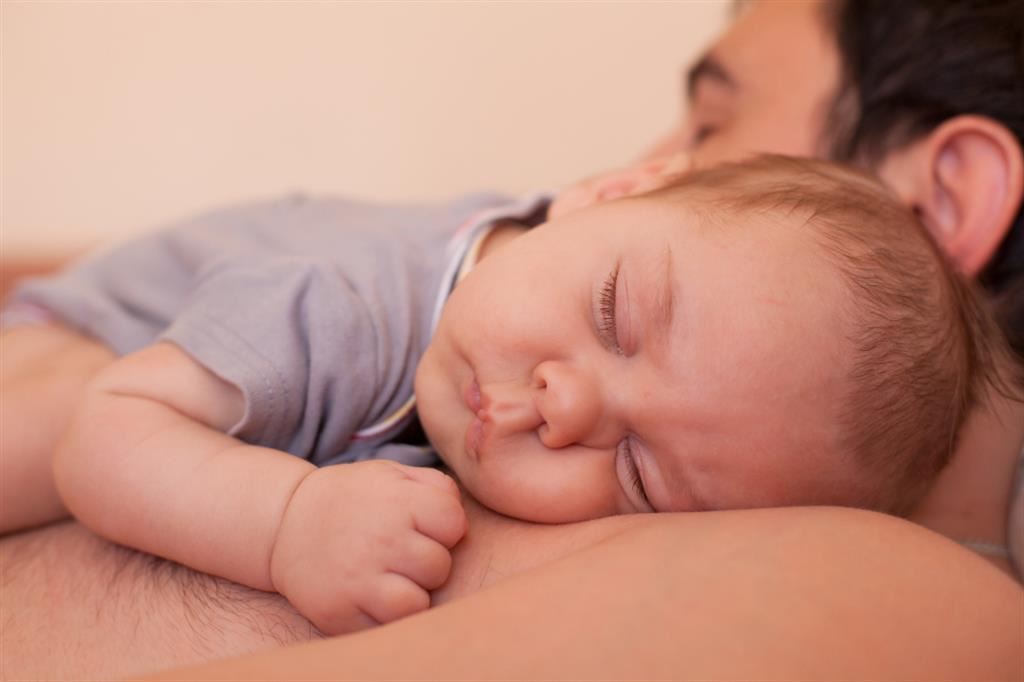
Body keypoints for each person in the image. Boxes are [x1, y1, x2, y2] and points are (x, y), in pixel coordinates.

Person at [1, 0, 1021, 678]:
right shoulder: (364, 301)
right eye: (619, 307)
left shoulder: (892, 590)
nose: (643, 160)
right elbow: (103, 424)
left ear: (938, 202)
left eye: (713, 125)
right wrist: (286, 521)